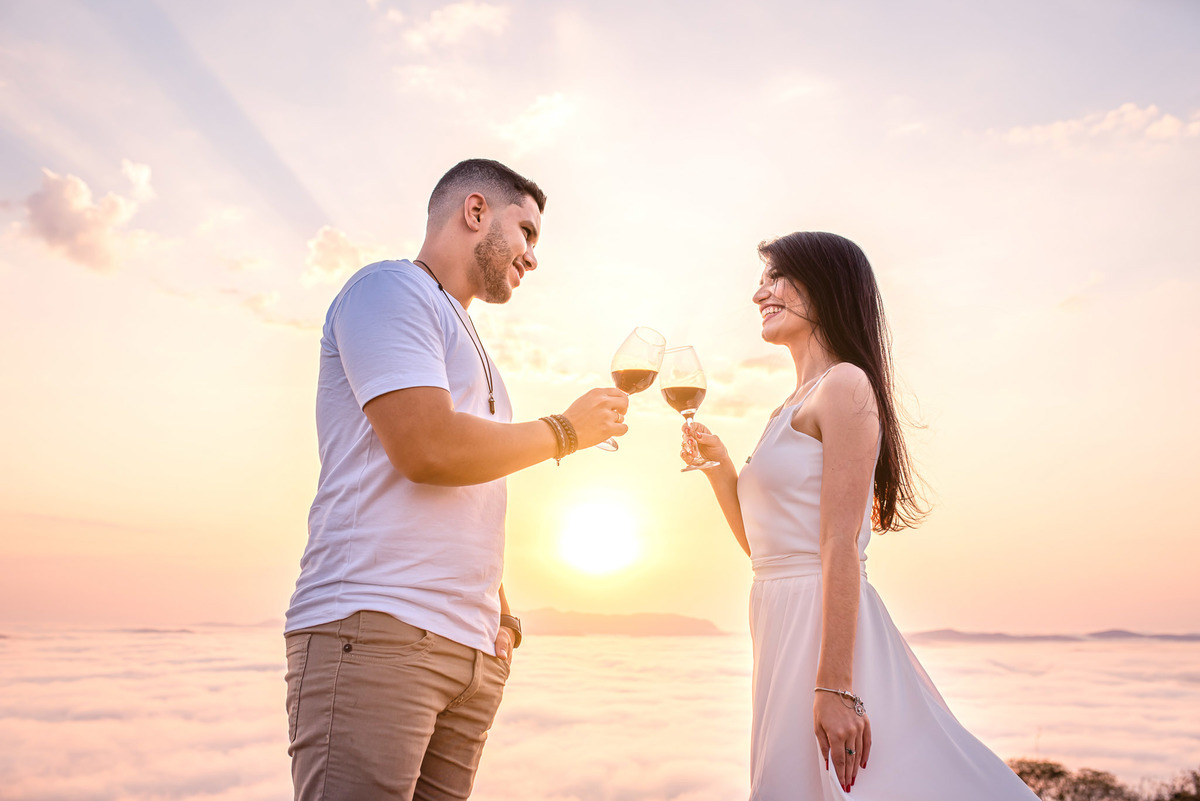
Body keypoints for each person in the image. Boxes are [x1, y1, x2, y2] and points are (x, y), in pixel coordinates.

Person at [283, 158, 629, 801]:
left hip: (468, 651)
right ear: (476, 213)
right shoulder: (389, 291)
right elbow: (428, 449)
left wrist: (499, 619)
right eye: (526, 232)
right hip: (378, 628)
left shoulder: (472, 343)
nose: (532, 257)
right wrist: (566, 431)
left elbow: (470, 481)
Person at [684, 232, 1039, 799]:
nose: (759, 294)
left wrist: (835, 687)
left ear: (826, 287)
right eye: (762, 280)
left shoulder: (844, 385)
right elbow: (767, 553)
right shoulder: (786, 405)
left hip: (825, 636)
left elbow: (838, 546)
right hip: (779, 618)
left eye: (776, 277)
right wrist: (720, 468)